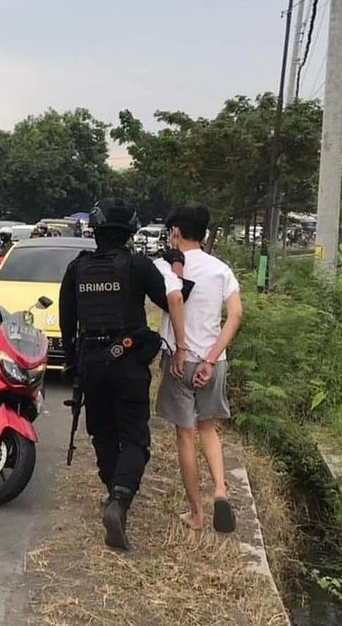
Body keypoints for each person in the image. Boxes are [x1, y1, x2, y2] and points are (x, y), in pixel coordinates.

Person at [59, 197, 187, 551]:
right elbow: (173, 299)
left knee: (102, 431)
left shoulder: (77, 268)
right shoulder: (137, 265)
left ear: (95, 230)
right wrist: (176, 267)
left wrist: (73, 364)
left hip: (91, 362)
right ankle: (120, 498)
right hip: (129, 361)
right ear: (130, 232)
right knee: (134, 438)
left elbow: (67, 321)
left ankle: (113, 491)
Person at [155, 206, 243, 533]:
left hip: (181, 360)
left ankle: (196, 513)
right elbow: (235, 315)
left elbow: (173, 299)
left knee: (184, 435)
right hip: (214, 360)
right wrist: (211, 358)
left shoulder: (166, 265)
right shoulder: (222, 270)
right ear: (204, 234)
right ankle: (220, 489)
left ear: (175, 233)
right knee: (208, 429)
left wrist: (182, 350)